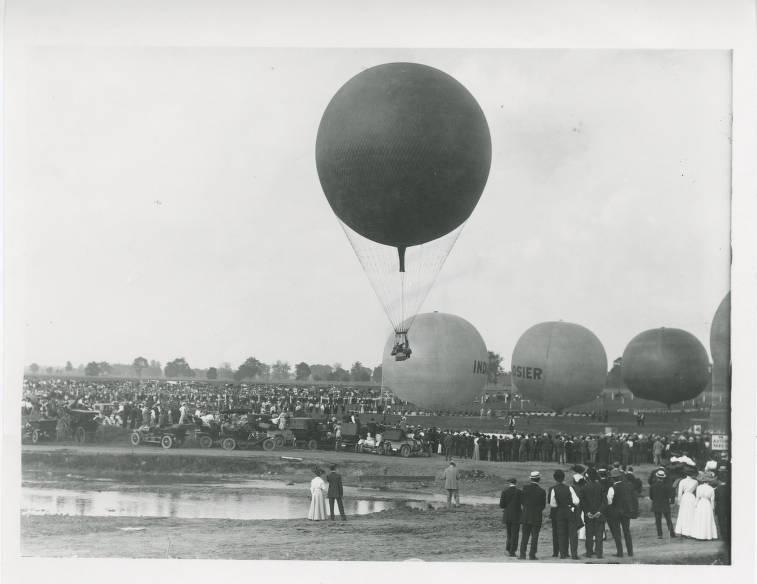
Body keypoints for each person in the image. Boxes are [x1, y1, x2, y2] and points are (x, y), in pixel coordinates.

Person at [550, 469, 580, 560]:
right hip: (570, 512)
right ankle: (574, 554)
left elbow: (553, 504)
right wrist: (571, 504)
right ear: (564, 477)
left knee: (561, 534)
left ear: (555, 478)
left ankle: (563, 554)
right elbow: (576, 501)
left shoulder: (553, 489)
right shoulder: (569, 488)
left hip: (559, 513)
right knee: (573, 534)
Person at [606, 468, 634, 557]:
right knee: (627, 532)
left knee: (617, 533)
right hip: (626, 511)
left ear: (613, 478)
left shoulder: (612, 488)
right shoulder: (628, 485)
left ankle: (620, 552)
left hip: (615, 512)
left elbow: (609, 501)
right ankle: (630, 552)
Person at [519, 471, 546, 560]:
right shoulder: (542, 491)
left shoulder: (525, 488)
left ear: (530, 479)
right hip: (536, 516)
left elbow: (522, 501)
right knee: (535, 537)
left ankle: (522, 555)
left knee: (524, 536)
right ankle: (532, 555)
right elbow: (543, 506)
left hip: (526, 515)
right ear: (539, 479)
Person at [580, 468, 606, 559]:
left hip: (589, 515)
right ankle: (599, 553)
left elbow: (582, 502)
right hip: (599, 515)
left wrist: (587, 512)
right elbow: (604, 501)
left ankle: (589, 553)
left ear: (587, 476)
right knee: (599, 535)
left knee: (589, 535)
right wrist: (600, 511)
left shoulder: (584, 487)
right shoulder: (601, 486)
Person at [649, 469, 676, 539]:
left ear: (657, 477)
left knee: (658, 520)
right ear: (663, 478)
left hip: (656, 504)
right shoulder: (667, 486)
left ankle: (659, 534)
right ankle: (672, 533)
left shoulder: (652, 486)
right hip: (665, 504)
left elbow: (651, 497)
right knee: (668, 519)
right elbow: (669, 496)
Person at [691, 472, 718, 540]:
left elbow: (697, 498)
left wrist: (695, 505)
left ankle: (699, 535)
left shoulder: (699, 487)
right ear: (709, 481)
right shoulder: (711, 489)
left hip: (701, 503)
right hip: (707, 504)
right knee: (707, 518)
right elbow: (712, 500)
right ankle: (707, 535)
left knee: (700, 518)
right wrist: (712, 508)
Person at [499, 478, 521, 557]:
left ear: (509, 483)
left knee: (509, 534)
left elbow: (501, 505)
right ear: (516, 483)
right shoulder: (519, 492)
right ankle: (513, 551)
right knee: (515, 534)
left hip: (507, 515)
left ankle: (508, 549)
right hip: (517, 515)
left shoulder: (505, 492)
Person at [674, 468, 699, 537]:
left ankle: (683, 531)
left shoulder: (682, 481)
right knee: (691, 514)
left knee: (683, 514)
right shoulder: (695, 482)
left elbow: (679, 493)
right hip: (691, 497)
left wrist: (679, 501)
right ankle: (690, 531)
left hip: (684, 497)